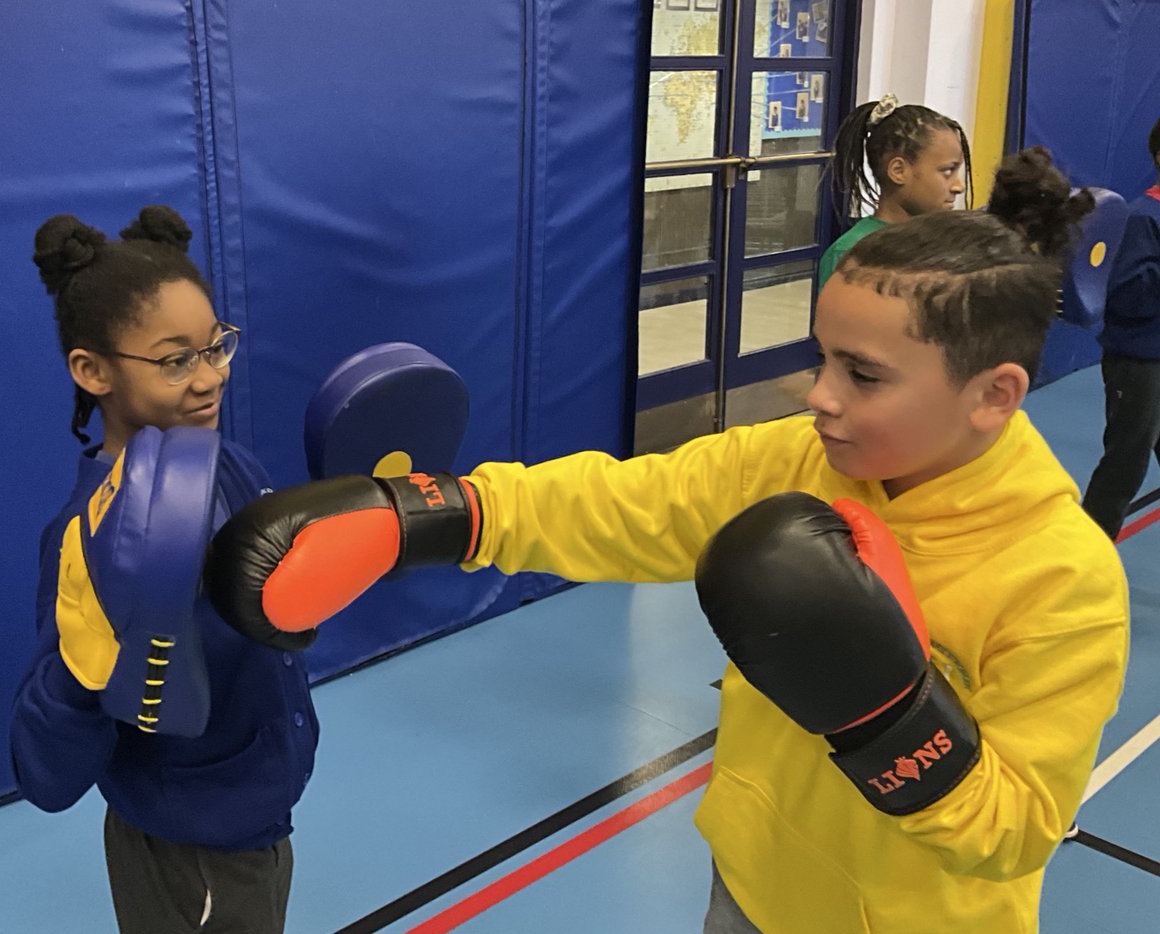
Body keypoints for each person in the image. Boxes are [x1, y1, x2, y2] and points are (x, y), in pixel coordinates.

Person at [208, 199, 1129, 929]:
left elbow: (1015, 834)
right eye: (822, 359)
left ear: (994, 395)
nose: (819, 396)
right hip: (748, 888)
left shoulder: (1062, 581)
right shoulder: (800, 463)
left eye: (864, 374)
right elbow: (629, 502)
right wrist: (441, 514)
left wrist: (889, 718)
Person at [9, 207, 318, 934]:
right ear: (92, 370)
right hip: (188, 854)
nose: (210, 377)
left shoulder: (229, 463)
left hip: (257, 817)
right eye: (176, 359)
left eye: (217, 347)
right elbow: (44, 775)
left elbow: (280, 617)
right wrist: (84, 665)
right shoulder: (85, 541)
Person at [1082, 116, 1160, 539]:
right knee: (1125, 463)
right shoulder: (1142, 217)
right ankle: (1084, 555)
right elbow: (1129, 297)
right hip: (1140, 363)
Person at [818, 93, 971, 290]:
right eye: (947, 171)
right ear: (898, 171)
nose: (959, 186)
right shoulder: (852, 253)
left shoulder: (946, 245)